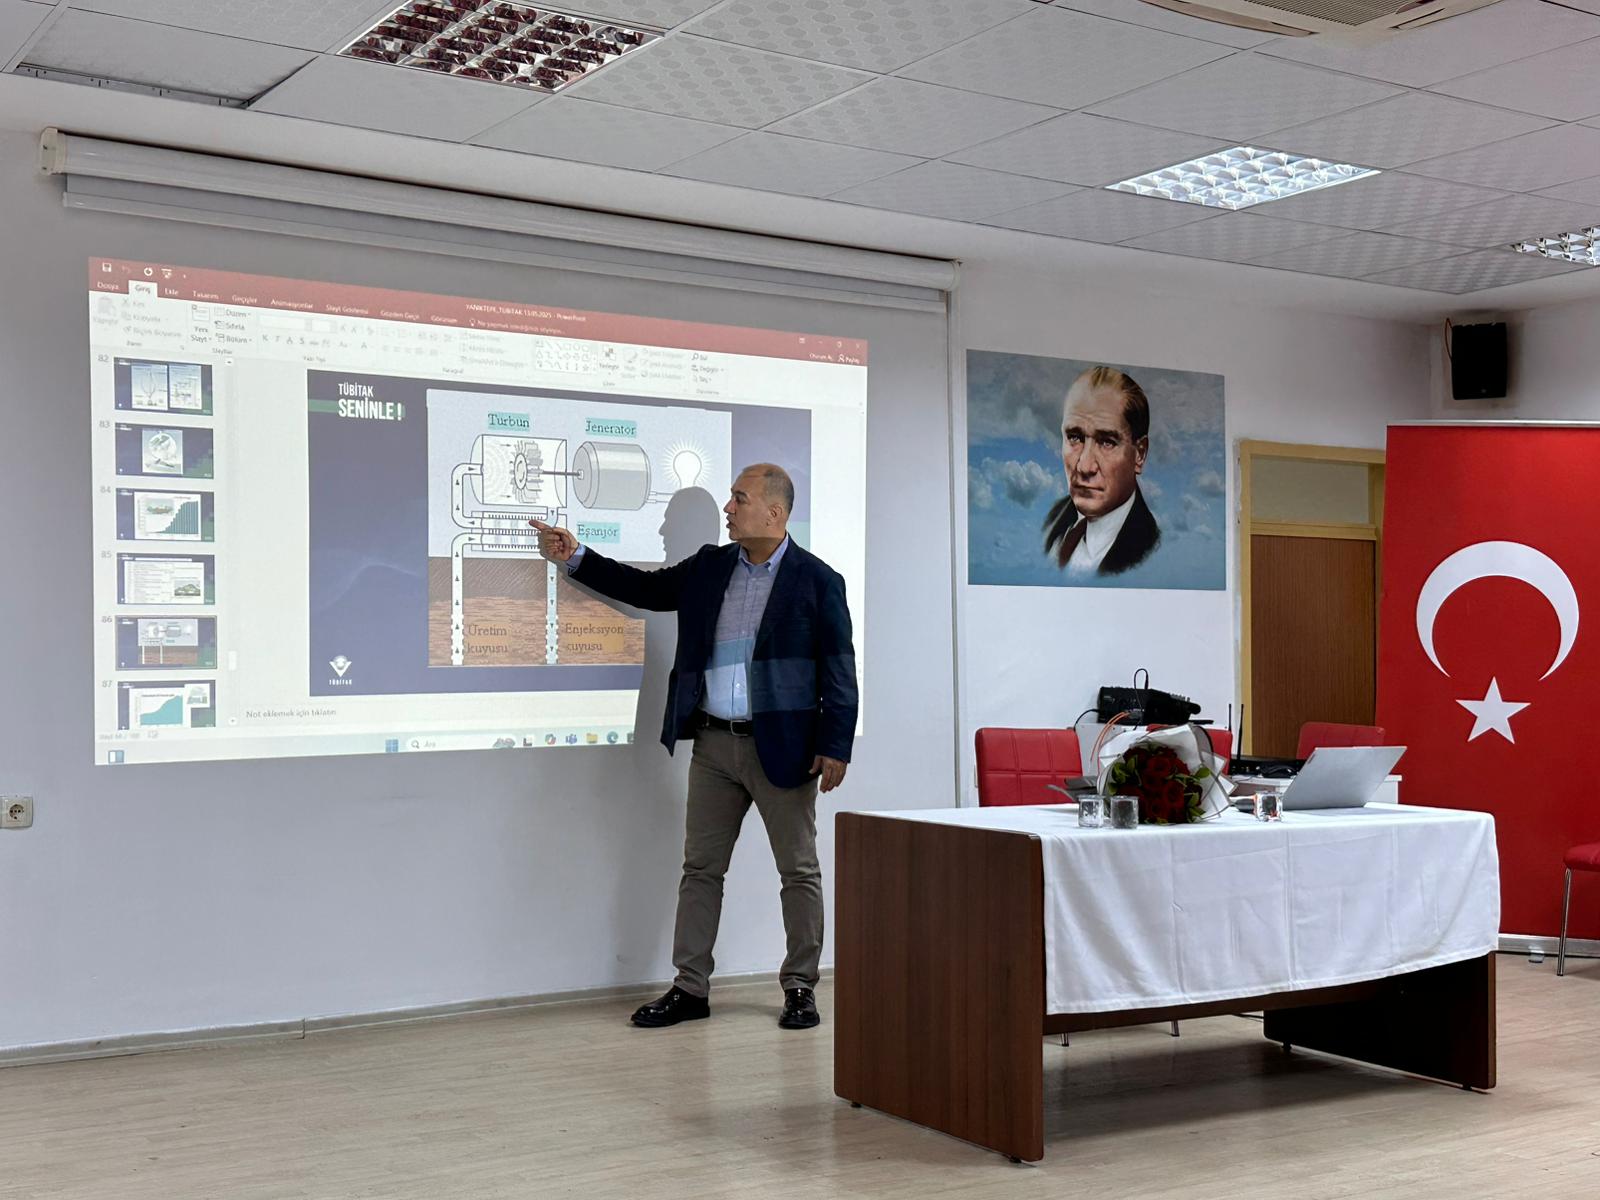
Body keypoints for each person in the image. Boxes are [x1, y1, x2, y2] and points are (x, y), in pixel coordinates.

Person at [531, 463, 857, 1032]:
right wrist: (576, 555)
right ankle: (690, 987)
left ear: (774, 513)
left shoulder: (818, 581)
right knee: (701, 869)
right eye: (729, 499)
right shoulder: (710, 566)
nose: (730, 509)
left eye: (739, 499)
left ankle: (800, 986)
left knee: (798, 871)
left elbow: (839, 670)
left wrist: (836, 744)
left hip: (785, 750)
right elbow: (646, 589)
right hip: (713, 744)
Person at [1041, 366, 1161, 576]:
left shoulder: (1151, 549)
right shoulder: (1053, 521)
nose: (1084, 466)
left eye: (1107, 442)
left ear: (1139, 454)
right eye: (1074, 437)